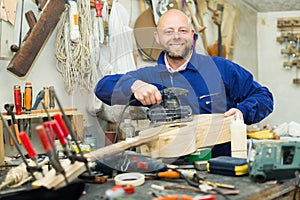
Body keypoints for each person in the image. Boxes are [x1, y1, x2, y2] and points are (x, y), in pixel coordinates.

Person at [94, 9, 274, 157]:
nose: (176, 36)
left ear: (192, 35)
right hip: (167, 168)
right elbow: (102, 88)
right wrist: (135, 85)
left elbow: (264, 97)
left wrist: (243, 111)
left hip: (220, 168)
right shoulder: (147, 76)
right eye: (168, 31)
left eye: (182, 30)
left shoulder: (221, 68)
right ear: (157, 37)